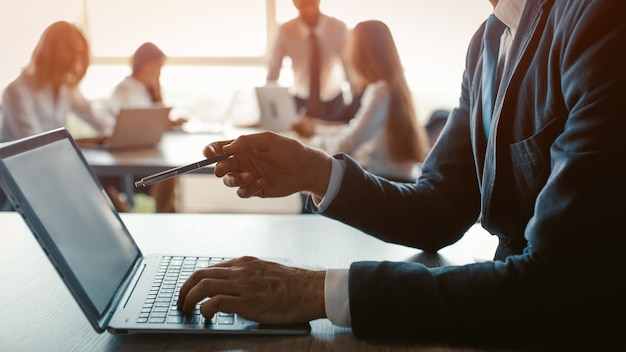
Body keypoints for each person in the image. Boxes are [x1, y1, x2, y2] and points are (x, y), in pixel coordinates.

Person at [177, 0, 625, 350]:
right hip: (506, 317)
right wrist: (314, 171)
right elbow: (439, 208)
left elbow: (561, 283)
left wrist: (318, 291)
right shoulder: (488, 41)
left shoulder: (600, 18)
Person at [291, 20, 429, 182]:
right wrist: (317, 130)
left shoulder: (379, 92)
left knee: (310, 183)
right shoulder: (395, 88)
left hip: (385, 180)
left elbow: (347, 145)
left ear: (362, 53)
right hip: (399, 178)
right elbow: (354, 130)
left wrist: (308, 143)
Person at [0, 21, 113, 143]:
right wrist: (89, 141)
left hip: (51, 158)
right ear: (50, 50)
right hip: (21, 161)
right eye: (70, 50)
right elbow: (35, 143)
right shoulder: (17, 91)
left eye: (80, 53)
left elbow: (100, 121)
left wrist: (116, 133)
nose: (76, 58)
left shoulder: (67, 90)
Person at [108, 42, 185, 213]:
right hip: (127, 160)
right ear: (144, 64)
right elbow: (126, 127)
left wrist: (169, 121)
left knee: (170, 173)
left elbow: (149, 124)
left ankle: (168, 217)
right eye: (157, 66)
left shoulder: (146, 90)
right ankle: (165, 218)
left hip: (147, 154)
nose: (159, 72)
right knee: (168, 173)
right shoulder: (124, 90)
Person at [266, 0, 355, 122]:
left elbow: (349, 68)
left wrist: (357, 102)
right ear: (295, 3)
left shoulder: (338, 28)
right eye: (302, 4)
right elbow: (273, 72)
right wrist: (270, 109)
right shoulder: (285, 31)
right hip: (300, 101)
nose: (308, 8)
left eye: (311, 2)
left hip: (333, 102)